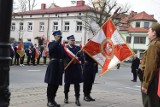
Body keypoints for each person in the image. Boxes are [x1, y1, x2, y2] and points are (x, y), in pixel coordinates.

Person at [139, 23, 160, 107]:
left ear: (154, 32)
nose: (148, 32)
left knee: (150, 103)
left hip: (152, 81)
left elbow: (150, 67)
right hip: (155, 79)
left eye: (149, 30)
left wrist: (145, 84)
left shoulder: (154, 45)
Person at [44, 30, 66, 107]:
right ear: (55, 36)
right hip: (53, 65)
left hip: (59, 66)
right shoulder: (51, 43)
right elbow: (52, 49)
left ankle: (53, 100)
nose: (59, 37)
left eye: (60, 36)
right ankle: (49, 101)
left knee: (56, 84)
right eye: (58, 36)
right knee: (51, 84)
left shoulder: (61, 46)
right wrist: (58, 41)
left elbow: (64, 55)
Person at [64, 35, 83, 106]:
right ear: (68, 41)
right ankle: (66, 97)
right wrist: (69, 61)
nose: (73, 41)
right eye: (71, 40)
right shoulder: (65, 49)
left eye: (73, 40)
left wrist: (78, 59)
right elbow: (64, 58)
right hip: (69, 68)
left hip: (76, 68)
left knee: (77, 84)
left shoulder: (78, 48)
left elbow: (81, 57)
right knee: (67, 84)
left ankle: (77, 99)